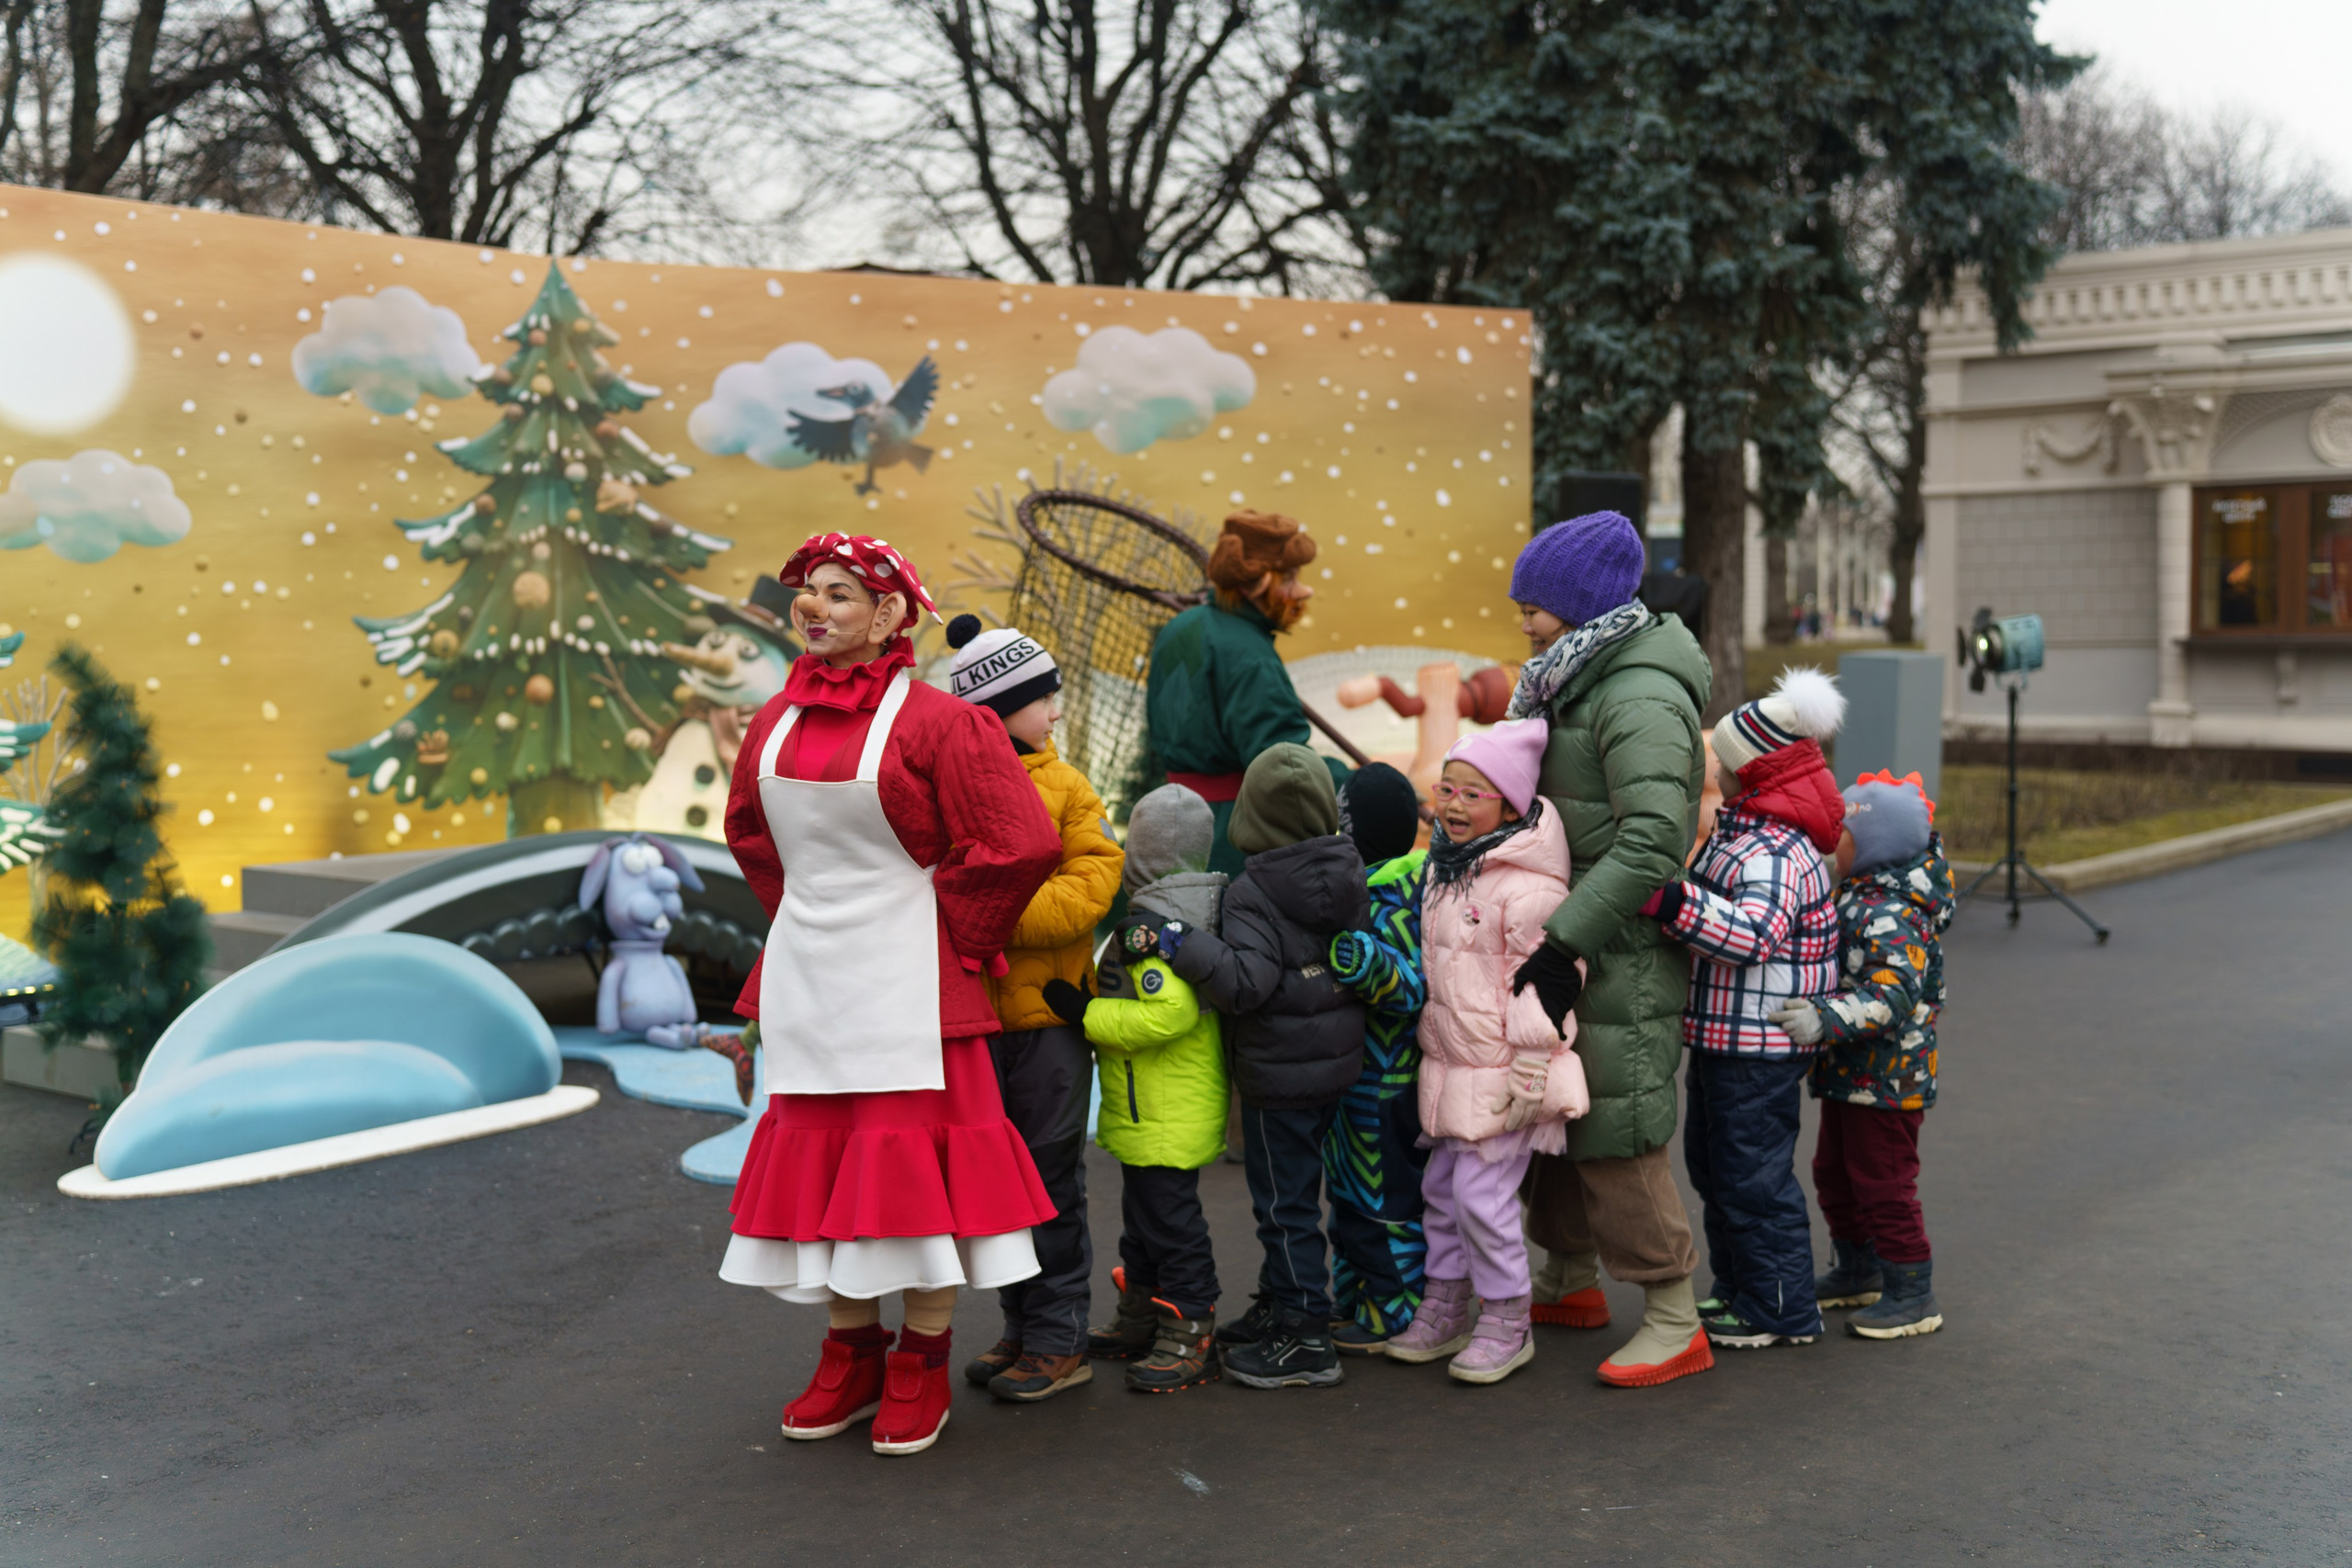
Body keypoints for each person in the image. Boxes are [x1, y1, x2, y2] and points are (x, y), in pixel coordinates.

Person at [717, 532, 1063, 1457]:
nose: (816, 607)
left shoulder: (941, 723)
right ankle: (851, 1353)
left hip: (910, 984)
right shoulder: (770, 721)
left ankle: (920, 1360)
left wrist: (948, 924)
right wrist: (806, 923)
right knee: (831, 1173)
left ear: (889, 615)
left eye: (839, 593)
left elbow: (1020, 840)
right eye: (809, 592)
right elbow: (751, 834)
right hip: (815, 976)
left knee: (912, 1179)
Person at [1505, 510, 1718, 1388]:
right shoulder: (1577, 677)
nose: (1521, 619)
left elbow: (1651, 842)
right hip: (1577, 928)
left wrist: (1562, 945)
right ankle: (1566, 1276)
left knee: (1618, 1123)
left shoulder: (1638, 694)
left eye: (1534, 604)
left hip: (1616, 939)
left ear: (1582, 604)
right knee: (1558, 1107)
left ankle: (1674, 1317)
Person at [1141, 742, 1367, 1389]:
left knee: (1285, 1206)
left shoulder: (1254, 889)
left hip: (1277, 1074)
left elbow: (1246, 982)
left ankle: (1303, 1332)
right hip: (1332, 1063)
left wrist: (1179, 940)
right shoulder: (1348, 868)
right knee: (1299, 1198)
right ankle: (1283, 1301)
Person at [940, 614, 1124, 1403]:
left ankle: (1060, 1336)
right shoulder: (953, 788)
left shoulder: (1068, 786)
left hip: (1049, 1022)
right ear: (998, 708)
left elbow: (1093, 882)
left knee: (1050, 1178)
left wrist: (995, 910)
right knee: (998, 1181)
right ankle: (1021, 1324)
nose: (1055, 711)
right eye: (1043, 698)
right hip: (980, 1022)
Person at [1643, 668, 1846, 1351]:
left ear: (1753, 770)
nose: (1716, 773)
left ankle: (1781, 1306)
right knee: (1716, 1166)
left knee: (1752, 1176)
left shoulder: (1778, 849)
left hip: (1760, 1043)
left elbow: (1753, 933)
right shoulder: (1747, 829)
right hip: (1728, 1035)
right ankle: (1741, 1289)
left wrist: (1677, 904)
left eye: (1724, 762)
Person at [1384, 719, 1589, 1385]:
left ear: (1509, 803)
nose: (1454, 803)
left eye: (1475, 793)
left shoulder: (1527, 887)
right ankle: (1446, 1304)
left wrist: (1532, 1060)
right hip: (1451, 1066)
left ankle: (1507, 1316)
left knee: (1481, 1196)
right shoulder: (1450, 870)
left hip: (1505, 1073)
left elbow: (1552, 976)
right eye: (1447, 787)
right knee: (1442, 1192)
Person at [1046, 784, 1230, 1393]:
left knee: (1173, 1225)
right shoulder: (1185, 917)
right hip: (1154, 1109)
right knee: (1145, 1221)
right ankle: (1147, 1313)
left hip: (1164, 1112)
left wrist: (1084, 1014)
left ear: (1139, 859)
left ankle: (1191, 1325)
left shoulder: (1152, 935)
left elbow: (1166, 1015)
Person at [1769, 770, 1953, 1341]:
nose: (1830, 846)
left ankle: (1911, 1291)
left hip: (1889, 1080)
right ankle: (1859, 1268)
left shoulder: (1892, 912)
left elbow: (1891, 997)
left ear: (1871, 845)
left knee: (1884, 1180)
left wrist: (1823, 1018)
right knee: (1834, 1171)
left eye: (1839, 836)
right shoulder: (1862, 896)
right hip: (1855, 1074)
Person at [1146, 509, 1349, 879]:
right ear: (1256, 584)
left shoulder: (1180, 626)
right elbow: (1286, 767)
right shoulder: (1252, 658)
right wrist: (1352, 783)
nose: (1301, 590)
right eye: (1287, 578)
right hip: (1230, 834)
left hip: (1168, 819)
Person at [1322, 763, 1431, 1352]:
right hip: (1352, 1075)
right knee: (1345, 1200)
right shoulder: (1363, 887)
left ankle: (1397, 1311)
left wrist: (1358, 956)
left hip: (1387, 1080)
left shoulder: (1397, 895)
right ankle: (1356, 1298)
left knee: (1382, 1203)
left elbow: (1409, 988)